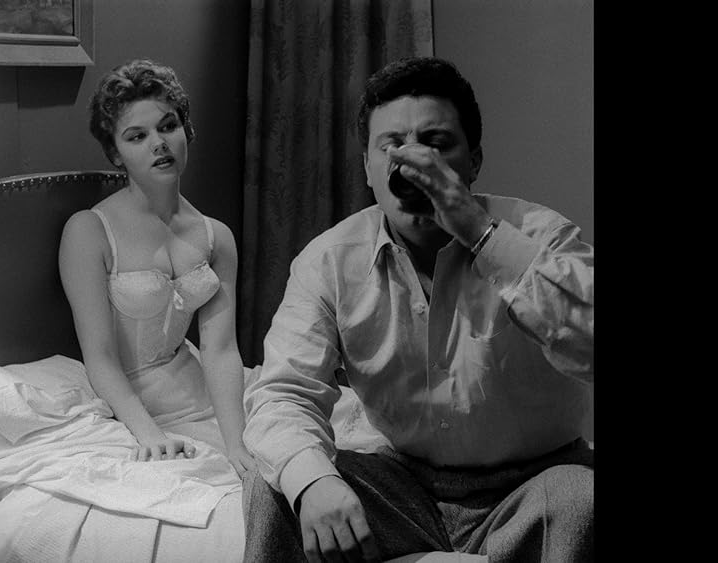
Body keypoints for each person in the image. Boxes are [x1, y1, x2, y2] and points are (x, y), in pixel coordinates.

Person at [241, 56, 593, 562]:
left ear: (473, 161)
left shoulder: (542, 237)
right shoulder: (331, 260)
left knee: (584, 501)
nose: (413, 162)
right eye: (392, 146)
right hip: (405, 489)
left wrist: (479, 232)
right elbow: (282, 391)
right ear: (368, 168)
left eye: (436, 142)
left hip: (536, 483)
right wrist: (313, 481)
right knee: (279, 486)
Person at [60, 59, 255, 477]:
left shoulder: (216, 236)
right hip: (123, 406)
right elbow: (100, 357)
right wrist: (149, 435)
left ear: (187, 131)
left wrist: (236, 443)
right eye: (137, 136)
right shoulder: (89, 231)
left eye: (168, 126)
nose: (159, 143)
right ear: (116, 153)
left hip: (195, 391)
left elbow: (221, 350)